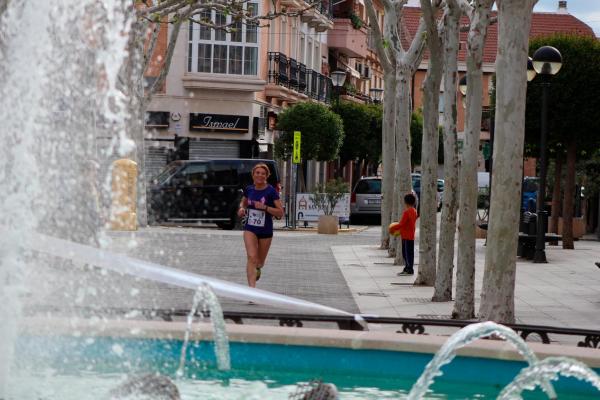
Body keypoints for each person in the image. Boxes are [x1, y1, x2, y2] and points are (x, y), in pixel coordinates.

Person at [237, 163, 284, 288]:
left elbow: (280, 212)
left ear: (266, 176)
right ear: (253, 175)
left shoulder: (271, 191)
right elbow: (244, 203)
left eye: (263, 173)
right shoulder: (249, 189)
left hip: (265, 230)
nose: (260, 175)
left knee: (259, 262)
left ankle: (258, 268)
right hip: (250, 228)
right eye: (257, 173)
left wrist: (265, 207)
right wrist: (241, 209)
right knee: (252, 257)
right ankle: (251, 291)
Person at [397, 193, 418, 276]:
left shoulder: (407, 212)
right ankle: (407, 268)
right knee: (410, 253)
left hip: (405, 235)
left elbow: (401, 223)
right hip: (411, 234)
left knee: (405, 253)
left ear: (405, 202)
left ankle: (409, 269)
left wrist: (393, 227)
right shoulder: (414, 211)